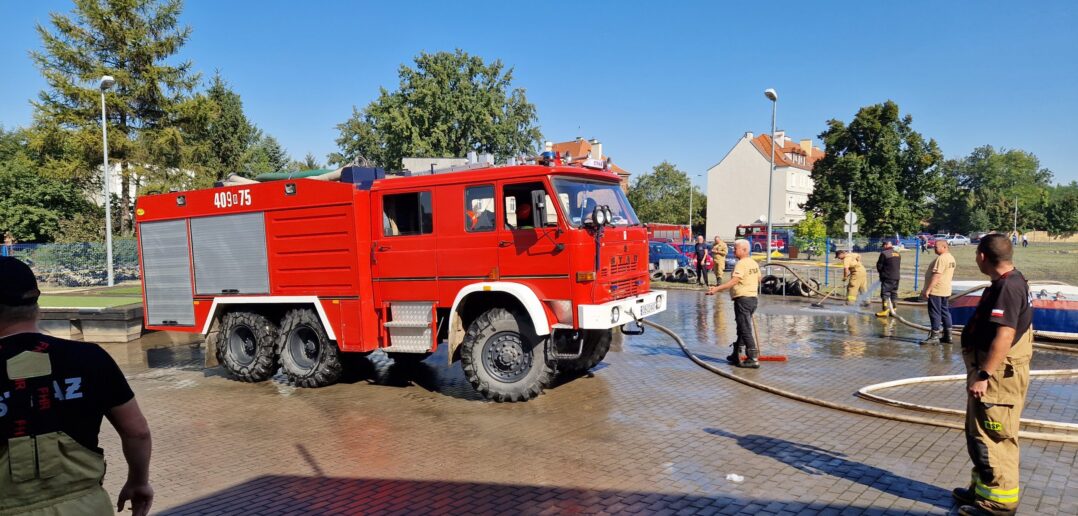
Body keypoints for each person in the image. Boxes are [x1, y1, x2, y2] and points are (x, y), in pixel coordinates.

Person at [0, 257, 153, 516]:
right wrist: (138, 482)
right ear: (37, 303)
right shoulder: (90, 357)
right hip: (86, 506)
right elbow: (137, 432)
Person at [951, 234, 1033, 516]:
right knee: (980, 435)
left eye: (976, 254)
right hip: (992, 377)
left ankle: (998, 505)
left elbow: (1005, 334)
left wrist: (984, 374)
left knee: (995, 439)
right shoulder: (1009, 281)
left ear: (983, 256)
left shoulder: (1008, 288)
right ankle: (982, 490)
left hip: (996, 380)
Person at [707, 240, 761, 368]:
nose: (733, 251)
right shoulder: (753, 263)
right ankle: (736, 353)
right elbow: (759, 278)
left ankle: (752, 357)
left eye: (735, 249)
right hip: (752, 299)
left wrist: (716, 289)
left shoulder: (741, 264)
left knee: (745, 328)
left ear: (744, 250)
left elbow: (734, 281)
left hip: (743, 299)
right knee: (741, 327)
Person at [919, 240, 956, 345]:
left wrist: (928, 289)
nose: (934, 248)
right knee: (945, 312)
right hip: (945, 289)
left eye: (936, 247)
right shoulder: (951, 258)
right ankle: (948, 336)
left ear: (944, 247)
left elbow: (937, 276)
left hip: (937, 290)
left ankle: (934, 337)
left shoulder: (942, 259)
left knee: (935, 312)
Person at [875, 240, 901, 317]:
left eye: (883, 246)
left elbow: (879, 266)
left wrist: (881, 275)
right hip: (896, 276)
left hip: (887, 277)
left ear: (886, 245)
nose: (883, 248)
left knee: (885, 293)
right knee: (894, 292)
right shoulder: (897, 254)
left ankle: (885, 310)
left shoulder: (884, 253)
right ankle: (894, 309)